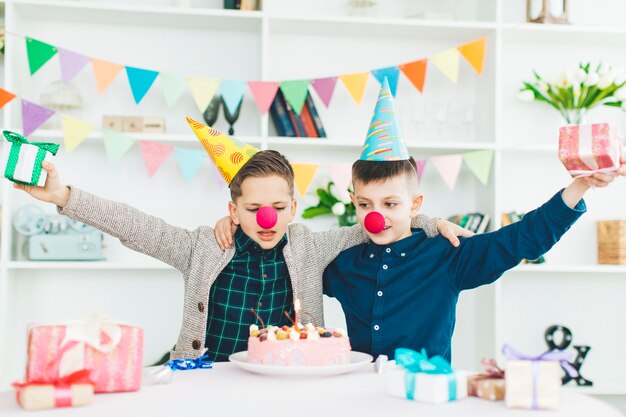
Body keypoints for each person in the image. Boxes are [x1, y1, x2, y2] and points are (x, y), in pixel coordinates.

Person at [13, 117, 468, 362]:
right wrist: (65, 196)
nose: (267, 219)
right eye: (253, 210)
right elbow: (136, 226)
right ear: (234, 210)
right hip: (208, 376)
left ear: (293, 208)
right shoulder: (203, 246)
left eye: (277, 208)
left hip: (284, 382)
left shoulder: (311, 246)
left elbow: (379, 219)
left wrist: (428, 221)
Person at [321, 78, 625, 362]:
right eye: (365, 204)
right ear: (354, 203)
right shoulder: (344, 264)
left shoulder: (446, 254)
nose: (377, 216)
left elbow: (524, 238)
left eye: (390, 203)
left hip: (427, 400)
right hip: (358, 396)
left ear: (415, 205)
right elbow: (289, 267)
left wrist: (581, 185)